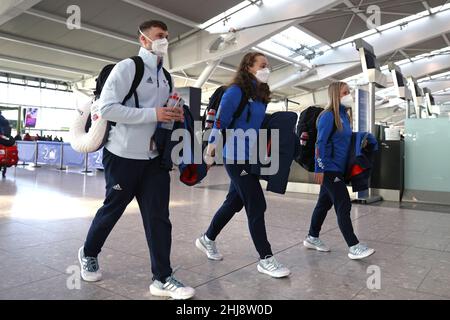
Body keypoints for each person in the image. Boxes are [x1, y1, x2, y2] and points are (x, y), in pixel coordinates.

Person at [78, 20, 195, 300]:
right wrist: (154, 114)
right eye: (158, 36)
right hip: (122, 156)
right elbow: (106, 108)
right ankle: (88, 252)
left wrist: (171, 115)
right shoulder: (128, 68)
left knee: (158, 218)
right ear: (143, 40)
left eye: (166, 37)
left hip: (153, 159)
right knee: (112, 210)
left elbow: (161, 115)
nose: (164, 41)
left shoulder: (167, 76)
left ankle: (162, 277)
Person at [196, 52, 290, 278]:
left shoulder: (260, 95)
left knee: (233, 202)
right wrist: (211, 149)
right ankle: (265, 258)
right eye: (263, 65)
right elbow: (221, 120)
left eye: (268, 65)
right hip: (233, 155)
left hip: (249, 155)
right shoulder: (235, 91)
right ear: (249, 67)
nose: (267, 69)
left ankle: (207, 239)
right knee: (256, 203)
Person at [303, 81, 375, 260]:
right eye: (345, 92)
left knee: (324, 204)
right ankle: (353, 246)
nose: (348, 95)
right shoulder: (328, 116)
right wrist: (320, 167)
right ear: (336, 95)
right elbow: (320, 143)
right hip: (329, 169)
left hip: (339, 169)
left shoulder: (344, 117)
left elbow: (345, 140)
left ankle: (312, 237)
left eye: (349, 91)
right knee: (343, 203)